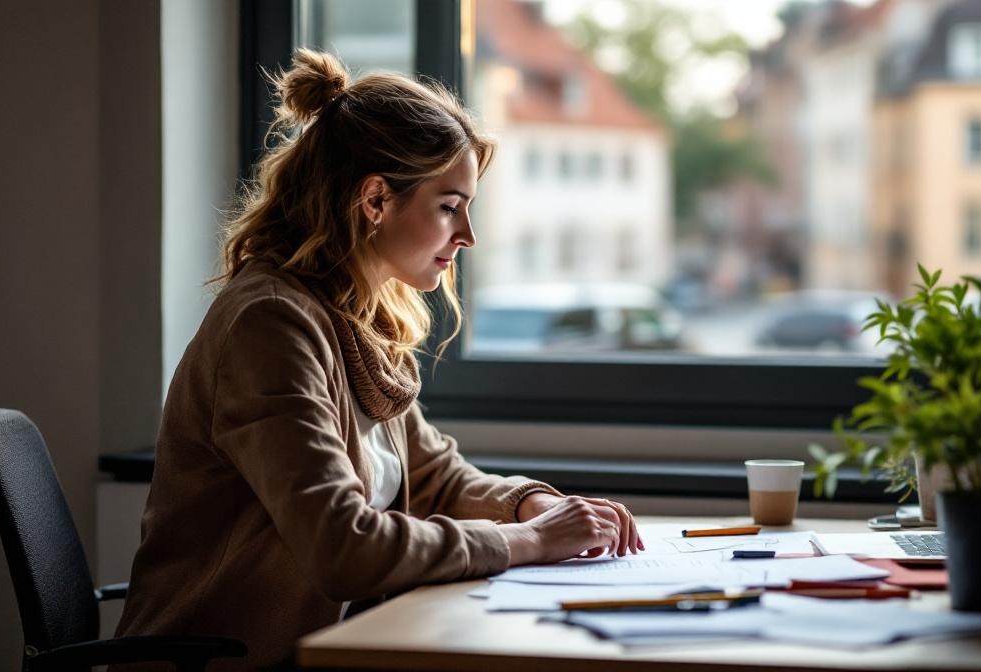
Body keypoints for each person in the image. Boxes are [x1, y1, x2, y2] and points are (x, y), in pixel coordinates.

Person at [114, 48, 643, 671]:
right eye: (449, 206)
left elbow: (436, 478)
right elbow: (343, 548)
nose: (467, 234)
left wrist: (531, 503)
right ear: (375, 201)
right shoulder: (272, 325)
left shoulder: (354, 319)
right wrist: (526, 541)